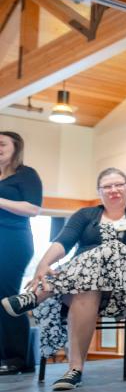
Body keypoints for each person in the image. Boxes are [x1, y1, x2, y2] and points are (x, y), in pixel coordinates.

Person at [2, 168, 126, 391]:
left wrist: (107, 252)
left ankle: (37, 296)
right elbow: (62, 243)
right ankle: (75, 370)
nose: (113, 190)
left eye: (119, 184)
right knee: (86, 287)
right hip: (80, 286)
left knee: (107, 251)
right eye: (107, 186)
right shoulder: (85, 215)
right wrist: (43, 264)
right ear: (99, 191)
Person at [0, 132, 42, 375]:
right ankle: (5, 356)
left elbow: (33, 208)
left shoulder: (26, 174)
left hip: (14, 243)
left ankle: (18, 358)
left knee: (6, 297)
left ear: (16, 148)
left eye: (2, 144)